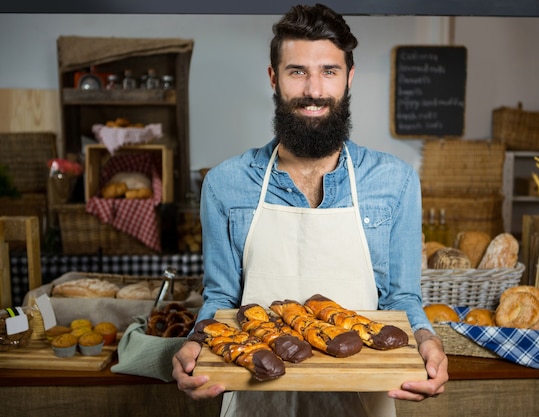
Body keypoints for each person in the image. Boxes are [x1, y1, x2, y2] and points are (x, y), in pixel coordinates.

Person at [172, 3, 448, 416]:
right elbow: (221, 297)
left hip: (363, 400)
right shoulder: (225, 184)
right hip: (256, 400)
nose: (314, 90)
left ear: (349, 78)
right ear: (274, 78)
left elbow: (401, 296)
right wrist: (195, 342)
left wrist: (427, 340)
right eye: (297, 71)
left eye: (329, 71)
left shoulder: (397, 182)